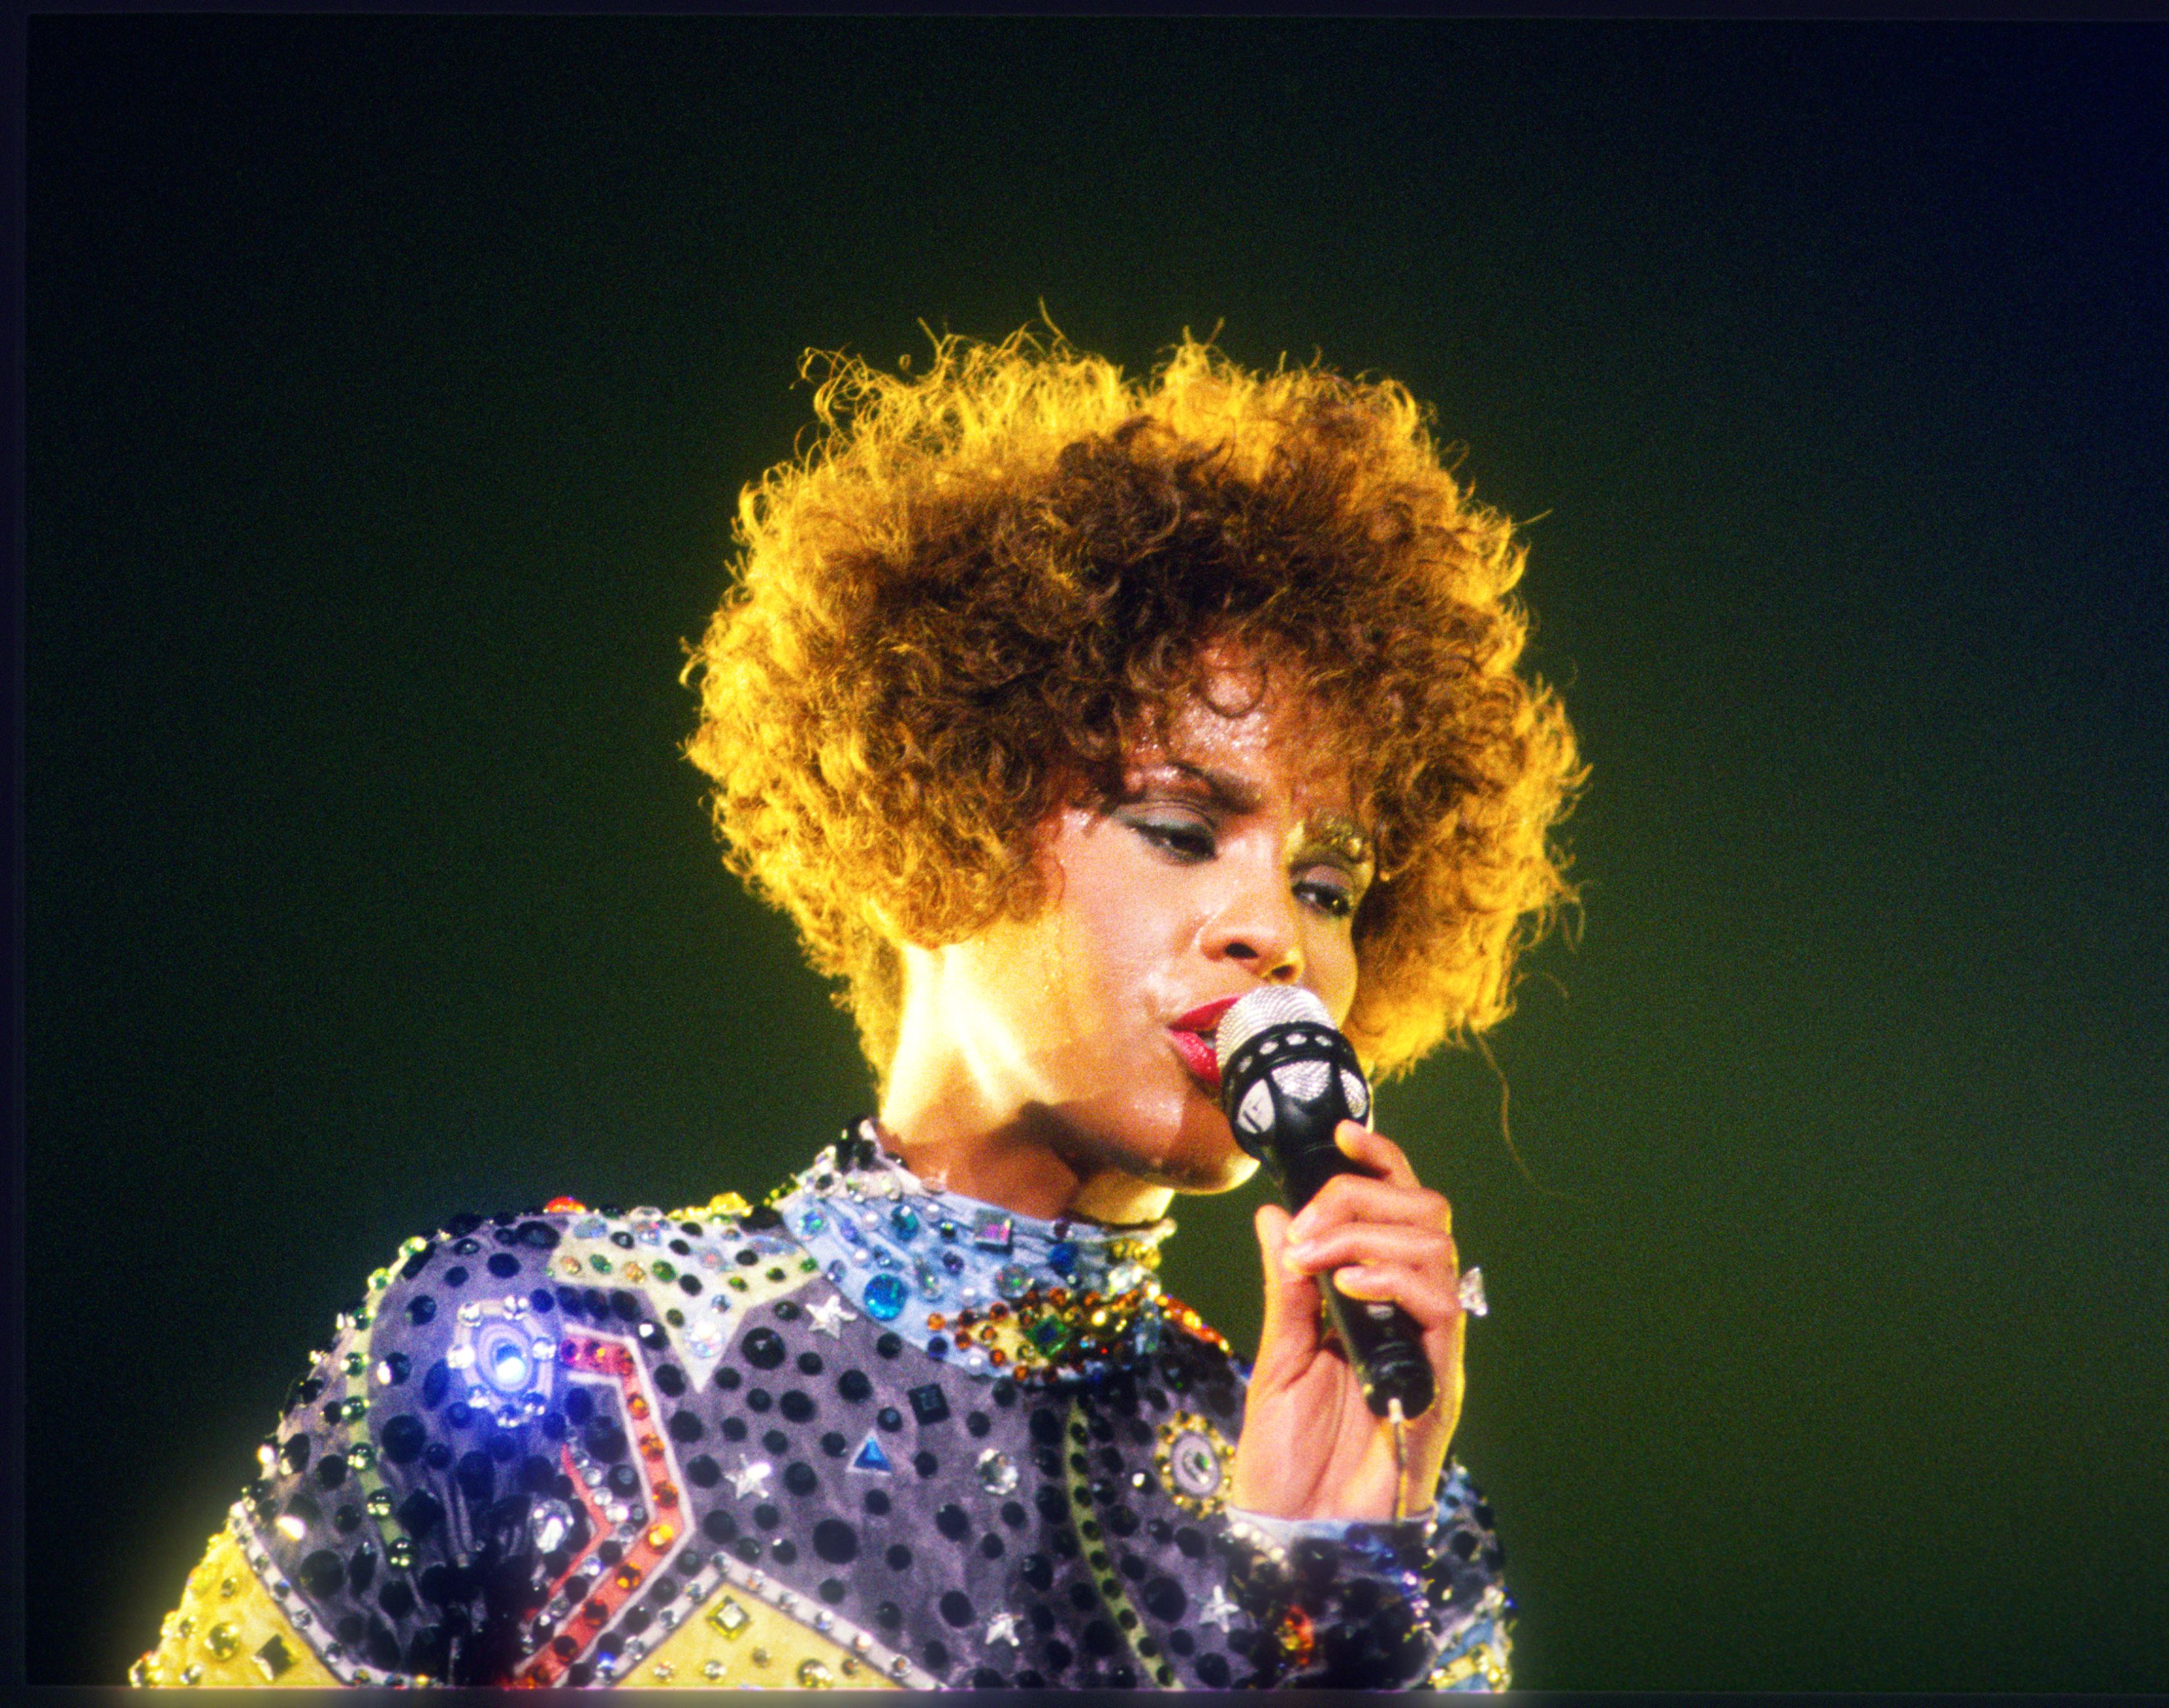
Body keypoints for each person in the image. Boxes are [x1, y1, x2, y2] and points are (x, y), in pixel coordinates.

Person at [132, 327, 1582, 1690]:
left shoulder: (1393, 1526)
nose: (1276, 933)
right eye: (1177, 827)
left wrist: (1323, 1602)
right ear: (933, 816)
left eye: (1329, 885)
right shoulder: (525, 1355)